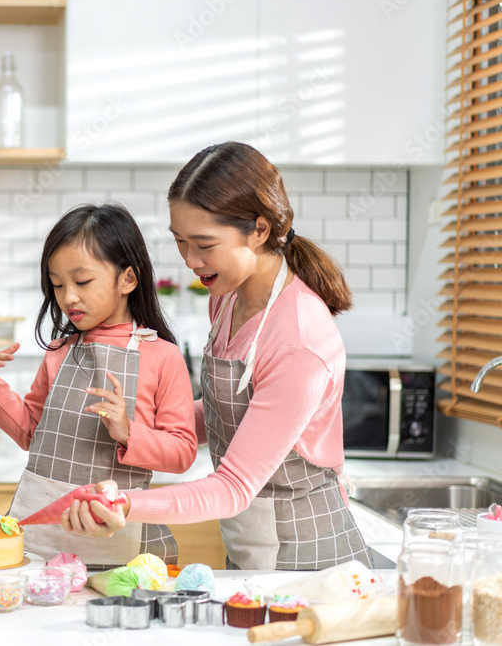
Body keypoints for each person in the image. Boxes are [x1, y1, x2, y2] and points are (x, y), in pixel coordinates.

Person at [61, 142, 371, 572]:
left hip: (310, 557)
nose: (190, 261)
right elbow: (232, 411)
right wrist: (137, 430)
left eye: (204, 244)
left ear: (259, 230)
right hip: (251, 541)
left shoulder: (299, 339)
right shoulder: (227, 297)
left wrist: (125, 504)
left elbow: (233, 486)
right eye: (181, 242)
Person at [0, 203, 197, 568]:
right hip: (44, 531)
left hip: (116, 534)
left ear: (128, 279)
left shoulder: (163, 357)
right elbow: (32, 431)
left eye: (82, 281)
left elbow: (183, 451)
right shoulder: (60, 351)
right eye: (57, 285)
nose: (68, 297)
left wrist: (127, 431)